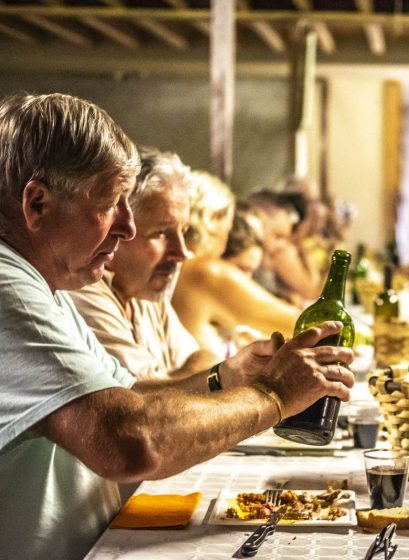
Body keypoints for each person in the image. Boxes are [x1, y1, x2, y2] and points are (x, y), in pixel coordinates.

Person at [0, 93, 354, 559]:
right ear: (38, 204)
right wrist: (275, 395)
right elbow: (128, 441)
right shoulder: (9, 286)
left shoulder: (43, 282)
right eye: (111, 203)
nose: (126, 227)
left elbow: (130, 395)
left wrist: (228, 378)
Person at [70, 146, 218, 381]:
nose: (181, 253)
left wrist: (198, 374)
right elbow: (149, 400)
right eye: (160, 233)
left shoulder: (146, 291)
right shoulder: (81, 291)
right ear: (116, 228)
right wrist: (201, 376)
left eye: (184, 231)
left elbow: (204, 360)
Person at [171, 173, 301, 356]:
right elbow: (300, 323)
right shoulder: (204, 271)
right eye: (230, 224)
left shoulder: (179, 268)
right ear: (215, 218)